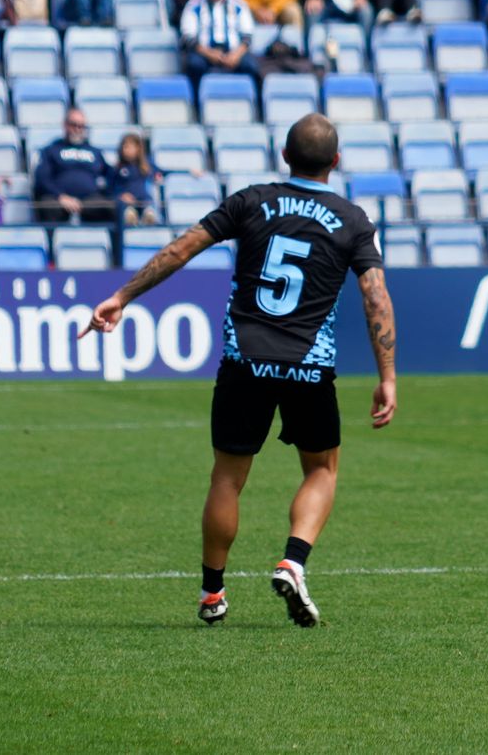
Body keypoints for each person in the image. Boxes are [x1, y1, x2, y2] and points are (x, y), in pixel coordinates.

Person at [81, 112, 398, 629]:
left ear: (284, 156)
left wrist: (122, 297)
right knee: (321, 470)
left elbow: (181, 249)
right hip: (309, 365)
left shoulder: (251, 201)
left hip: (244, 360)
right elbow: (375, 297)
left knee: (227, 478)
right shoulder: (354, 219)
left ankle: (212, 592)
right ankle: (293, 561)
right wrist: (387, 376)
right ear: (336, 161)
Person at [33, 109, 116, 222]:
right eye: (73, 125)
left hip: (90, 201)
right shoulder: (51, 150)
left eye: (81, 126)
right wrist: (60, 196)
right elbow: (42, 178)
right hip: (58, 200)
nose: (77, 129)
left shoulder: (95, 152)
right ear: (65, 125)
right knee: (48, 206)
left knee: (111, 206)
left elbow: (112, 175)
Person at [180, 0, 262, 83]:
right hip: (204, 52)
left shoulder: (239, 5)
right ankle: (196, 95)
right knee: (194, 65)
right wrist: (209, 53)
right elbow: (189, 37)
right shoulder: (193, 5)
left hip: (234, 52)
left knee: (251, 66)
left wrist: (236, 55)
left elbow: (247, 36)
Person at [113, 132, 162, 226]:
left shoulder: (147, 165)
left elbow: (159, 173)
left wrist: (158, 176)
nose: (126, 150)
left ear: (138, 149)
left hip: (145, 201)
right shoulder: (118, 168)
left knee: (150, 213)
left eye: (129, 147)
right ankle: (131, 221)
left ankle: (148, 219)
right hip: (128, 204)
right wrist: (121, 195)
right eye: (124, 147)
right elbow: (113, 187)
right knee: (129, 214)